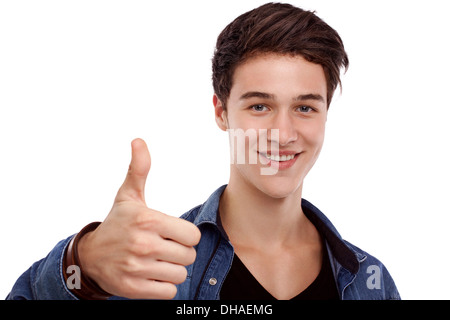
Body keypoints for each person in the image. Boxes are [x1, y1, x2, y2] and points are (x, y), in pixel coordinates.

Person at [7, 2, 400, 300]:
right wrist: (83, 263)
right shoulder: (154, 267)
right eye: (259, 106)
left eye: (304, 107)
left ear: (326, 114)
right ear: (221, 112)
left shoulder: (370, 280)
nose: (283, 134)